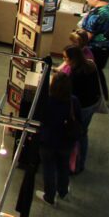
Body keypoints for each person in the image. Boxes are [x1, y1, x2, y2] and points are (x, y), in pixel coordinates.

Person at [36, 73, 81, 207]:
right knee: (63, 166)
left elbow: (39, 119)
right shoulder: (73, 101)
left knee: (48, 169)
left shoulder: (46, 101)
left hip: (48, 141)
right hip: (66, 142)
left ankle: (49, 196)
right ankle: (63, 192)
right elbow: (79, 119)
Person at [63, 45, 103, 174]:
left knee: (75, 134)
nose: (64, 60)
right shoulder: (90, 65)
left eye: (65, 57)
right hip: (92, 104)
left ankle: (74, 165)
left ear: (72, 59)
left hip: (82, 107)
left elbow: (71, 96)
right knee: (83, 133)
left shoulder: (75, 74)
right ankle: (80, 164)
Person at [79, 0, 109, 102]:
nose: (87, 0)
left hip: (96, 48)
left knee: (95, 71)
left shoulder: (96, 15)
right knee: (98, 70)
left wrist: (78, 43)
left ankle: (101, 97)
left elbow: (88, 35)